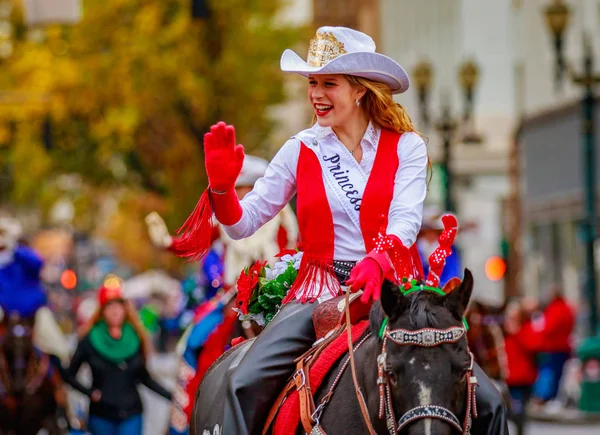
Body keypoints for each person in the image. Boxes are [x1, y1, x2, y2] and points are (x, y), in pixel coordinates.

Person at [176, 26, 506, 434]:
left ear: (360, 90)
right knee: (243, 382)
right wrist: (222, 190)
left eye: (328, 83)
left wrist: (378, 258)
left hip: (394, 294)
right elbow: (243, 224)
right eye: (312, 83)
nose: (316, 93)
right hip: (318, 294)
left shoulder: (406, 146)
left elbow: (405, 220)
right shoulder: (301, 148)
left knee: (488, 400)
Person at [146, 155, 298, 435]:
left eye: (245, 189)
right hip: (234, 297)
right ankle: (187, 418)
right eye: (238, 190)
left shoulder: (284, 220)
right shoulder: (226, 220)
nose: (240, 196)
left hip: (281, 295)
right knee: (195, 338)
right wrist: (167, 242)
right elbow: (196, 242)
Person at [63, 285, 172, 435]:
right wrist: (90, 393)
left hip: (131, 414)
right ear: (102, 311)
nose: (115, 311)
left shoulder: (135, 338)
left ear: (125, 308)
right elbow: (69, 375)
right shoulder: (90, 339)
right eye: (109, 306)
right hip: (101, 416)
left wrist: (171, 396)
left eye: (119, 305)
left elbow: (144, 377)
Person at [0, 216, 69, 364]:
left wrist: (14, 248)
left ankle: (61, 381)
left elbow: (38, 264)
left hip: (33, 313)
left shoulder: (23, 256)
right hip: (4, 314)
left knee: (59, 348)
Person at [503, 300, 544, 435]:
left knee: (519, 410)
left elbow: (534, 346)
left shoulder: (525, 330)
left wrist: (517, 333)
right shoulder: (504, 335)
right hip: (511, 379)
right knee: (514, 410)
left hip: (524, 378)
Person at [418, 207, 462, 287]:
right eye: (428, 231)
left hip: (442, 290)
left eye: (433, 231)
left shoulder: (450, 250)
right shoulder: (416, 249)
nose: (430, 234)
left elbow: (453, 273)